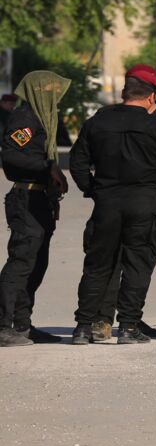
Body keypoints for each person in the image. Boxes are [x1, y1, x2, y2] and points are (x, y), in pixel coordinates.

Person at [69, 72, 156, 344]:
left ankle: (82, 327)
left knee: (97, 265)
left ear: (123, 96)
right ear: (151, 98)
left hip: (107, 203)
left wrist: (91, 189)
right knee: (137, 264)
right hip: (145, 203)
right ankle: (128, 327)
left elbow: (77, 163)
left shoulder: (96, 124)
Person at [0, 72, 71, 347]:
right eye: (51, 90)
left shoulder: (45, 117)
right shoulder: (25, 118)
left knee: (37, 263)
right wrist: (46, 167)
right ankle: (3, 325)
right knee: (20, 262)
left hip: (41, 200)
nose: (56, 95)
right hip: (24, 198)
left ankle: (22, 324)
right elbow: (11, 156)